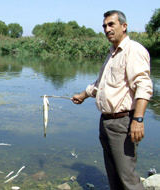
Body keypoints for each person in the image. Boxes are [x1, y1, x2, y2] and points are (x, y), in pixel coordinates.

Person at [72, 10, 153, 190]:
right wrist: (82, 95)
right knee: (114, 177)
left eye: (111, 24)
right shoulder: (112, 54)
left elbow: (144, 86)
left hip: (123, 123)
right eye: (104, 26)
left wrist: (138, 120)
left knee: (128, 179)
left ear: (124, 26)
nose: (107, 29)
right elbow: (100, 85)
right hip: (106, 122)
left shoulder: (134, 50)